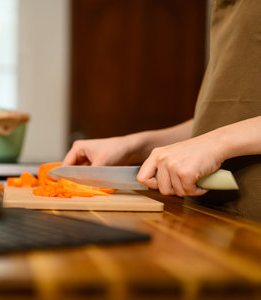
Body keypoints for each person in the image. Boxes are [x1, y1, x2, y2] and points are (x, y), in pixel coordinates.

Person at [63, 0, 261, 221]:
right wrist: (135, 146)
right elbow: (225, 116)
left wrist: (219, 142)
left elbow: (219, 136)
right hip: (212, 215)